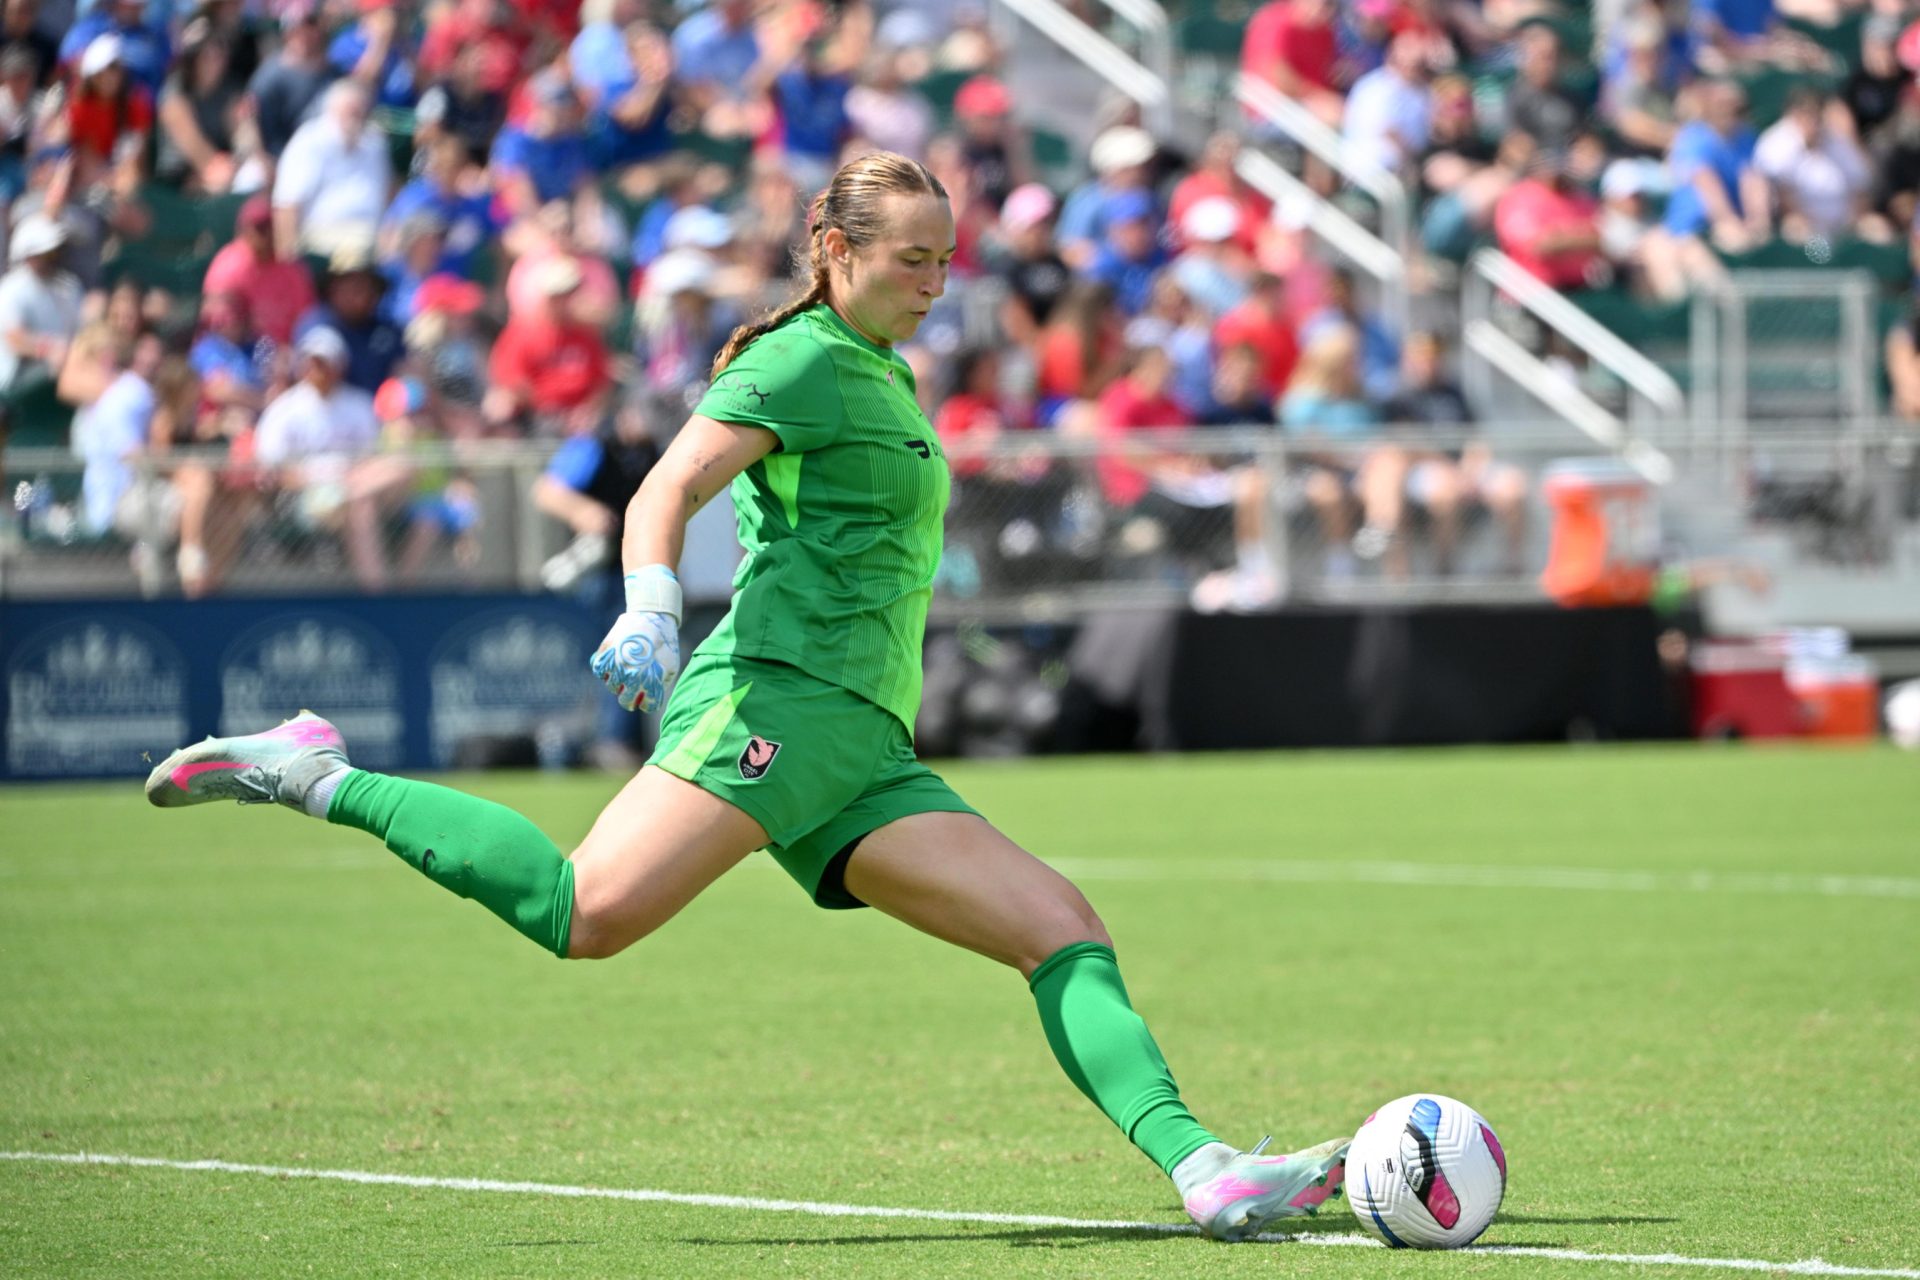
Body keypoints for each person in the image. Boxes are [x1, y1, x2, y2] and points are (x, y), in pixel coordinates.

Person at [144, 150, 1348, 1244]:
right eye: (910, 258)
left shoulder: (880, 368)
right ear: (838, 250)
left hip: (864, 745)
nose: (936, 281)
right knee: (585, 910)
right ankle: (313, 767)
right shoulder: (800, 360)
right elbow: (662, 488)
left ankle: (1205, 1170)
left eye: (946, 259)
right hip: (772, 702)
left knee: (1064, 929)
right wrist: (653, 606)